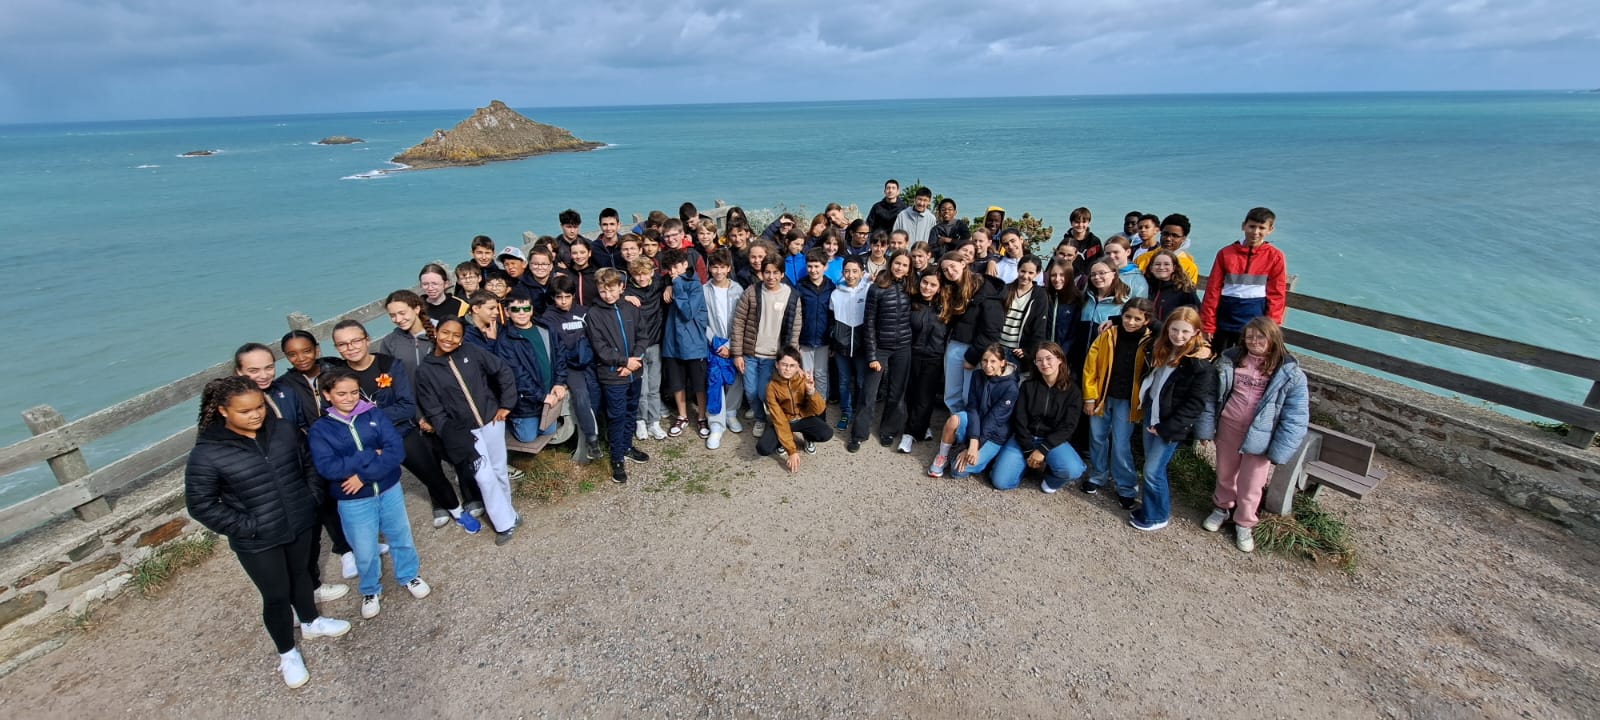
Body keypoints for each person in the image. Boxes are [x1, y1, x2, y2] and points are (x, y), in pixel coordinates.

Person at [185, 376, 352, 688]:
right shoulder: (207, 454)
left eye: (259, 406)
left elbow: (309, 465)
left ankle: (311, 621)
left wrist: (311, 499)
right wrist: (249, 526)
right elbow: (201, 505)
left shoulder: (284, 430)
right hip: (258, 541)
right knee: (276, 595)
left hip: (299, 522)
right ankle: (287, 653)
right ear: (223, 411)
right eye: (245, 411)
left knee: (302, 576)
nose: (255, 415)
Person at [328, 320, 479, 533]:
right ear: (336, 348)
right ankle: (378, 533)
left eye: (355, 341)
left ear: (367, 340)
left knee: (432, 474)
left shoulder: (389, 365)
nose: (350, 347)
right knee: (370, 486)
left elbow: (406, 407)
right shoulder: (337, 376)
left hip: (400, 433)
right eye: (343, 344)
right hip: (365, 442)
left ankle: (457, 510)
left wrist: (368, 416)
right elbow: (335, 413)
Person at [308, 368, 431, 620]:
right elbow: (328, 467)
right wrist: (369, 455)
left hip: (388, 489)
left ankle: (409, 575)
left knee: (401, 536)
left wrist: (363, 476)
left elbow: (395, 451)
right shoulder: (321, 429)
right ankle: (370, 589)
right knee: (364, 549)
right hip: (354, 500)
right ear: (327, 395)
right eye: (341, 393)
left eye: (354, 392)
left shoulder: (373, 413)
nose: (350, 398)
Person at [1196, 317, 1310, 552]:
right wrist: (1206, 429)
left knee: (1252, 482)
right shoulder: (1229, 362)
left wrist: (1280, 450)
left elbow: (1296, 417)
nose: (1254, 341)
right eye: (1249, 337)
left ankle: (1244, 522)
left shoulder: (1290, 374)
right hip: (1228, 427)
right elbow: (1211, 397)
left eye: (1260, 337)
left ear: (1273, 339)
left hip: (1262, 436)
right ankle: (1222, 508)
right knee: (1225, 473)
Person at [413, 318, 523, 545]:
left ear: (462, 339)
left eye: (456, 335)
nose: (449, 339)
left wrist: (506, 404)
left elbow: (502, 370)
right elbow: (434, 410)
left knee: (499, 471)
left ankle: (509, 514)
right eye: (445, 332)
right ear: (436, 332)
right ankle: (504, 524)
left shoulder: (472, 352)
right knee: (484, 477)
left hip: (492, 421)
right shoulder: (425, 370)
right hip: (465, 433)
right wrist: (451, 435)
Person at [378, 290, 486, 516]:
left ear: (417, 308)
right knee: (429, 459)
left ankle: (472, 495)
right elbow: (392, 384)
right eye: (392, 315)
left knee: (460, 452)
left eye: (402, 312)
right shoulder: (390, 343)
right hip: (415, 411)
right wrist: (419, 416)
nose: (398, 319)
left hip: (449, 407)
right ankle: (440, 501)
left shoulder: (440, 331)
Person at [277, 331, 361, 580]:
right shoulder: (285, 385)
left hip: (346, 441)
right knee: (326, 501)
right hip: (315, 450)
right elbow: (293, 420)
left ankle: (362, 540)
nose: (301, 358)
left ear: (317, 349)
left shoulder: (335, 369)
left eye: (306, 351)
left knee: (353, 492)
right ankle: (344, 549)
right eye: (292, 354)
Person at [1128, 306, 1215, 532]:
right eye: (1174, 330)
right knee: (1152, 467)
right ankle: (1151, 508)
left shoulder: (1199, 364)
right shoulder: (1165, 348)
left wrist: (1166, 428)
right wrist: (1113, 319)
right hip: (1152, 413)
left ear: (1196, 333)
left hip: (1170, 424)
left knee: (1152, 471)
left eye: (1185, 331)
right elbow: (1148, 319)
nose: (1179, 336)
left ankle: (1158, 516)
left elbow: (1195, 404)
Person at [1081, 298, 1155, 508]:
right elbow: (1091, 366)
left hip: (1128, 401)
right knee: (1097, 437)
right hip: (1102, 396)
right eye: (1127, 317)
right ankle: (1098, 475)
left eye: (1137, 319)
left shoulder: (1150, 341)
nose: (1131, 322)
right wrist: (1089, 396)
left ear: (1146, 320)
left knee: (1121, 444)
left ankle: (1126, 486)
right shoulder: (1109, 334)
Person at [989, 342, 1086, 492]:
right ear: (1035, 363)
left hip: (1052, 441)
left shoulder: (1073, 392)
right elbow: (1019, 420)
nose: (1044, 363)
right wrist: (1029, 451)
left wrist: (1042, 450)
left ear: (1060, 359)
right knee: (1000, 481)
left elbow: (1068, 426)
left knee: (1073, 469)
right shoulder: (1028, 386)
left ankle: (1050, 478)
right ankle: (1026, 465)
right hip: (1024, 438)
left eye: (1049, 358)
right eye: (1039, 360)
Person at [587, 268, 650, 483]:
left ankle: (626, 446)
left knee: (632, 410)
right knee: (617, 416)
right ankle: (617, 458)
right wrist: (624, 362)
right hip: (613, 375)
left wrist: (634, 361)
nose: (608, 295)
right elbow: (600, 348)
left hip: (634, 371)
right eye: (603, 291)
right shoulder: (594, 314)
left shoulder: (630, 308)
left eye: (612, 290)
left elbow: (643, 336)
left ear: (621, 287)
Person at [730, 257, 804, 439]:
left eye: (775, 272)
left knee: (764, 393)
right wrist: (737, 354)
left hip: (774, 357)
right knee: (750, 391)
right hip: (751, 353)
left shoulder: (791, 295)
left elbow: (795, 329)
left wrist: (792, 359)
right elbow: (738, 322)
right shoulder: (752, 292)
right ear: (761, 273)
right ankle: (760, 419)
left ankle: (776, 421)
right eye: (767, 272)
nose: (771, 277)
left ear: (782, 274)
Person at [1201, 207, 1287, 354]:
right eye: (1252, 226)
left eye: (1262, 228)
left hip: (1255, 324)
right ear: (1243, 226)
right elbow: (1212, 290)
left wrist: (1271, 327)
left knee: (1248, 361)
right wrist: (1208, 324)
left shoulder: (1275, 256)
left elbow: (1277, 295)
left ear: (1270, 230)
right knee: (1220, 359)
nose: (1255, 232)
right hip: (1224, 321)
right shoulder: (1225, 253)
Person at [928, 344, 1018, 480]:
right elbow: (972, 408)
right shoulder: (977, 375)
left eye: (993, 361)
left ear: (1002, 363)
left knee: (957, 471)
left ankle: (988, 458)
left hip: (994, 435)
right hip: (977, 424)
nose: (987, 365)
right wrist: (973, 441)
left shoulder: (1011, 387)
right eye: (984, 360)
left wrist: (975, 445)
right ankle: (943, 455)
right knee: (954, 420)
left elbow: (993, 421)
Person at [541, 275, 603, 462]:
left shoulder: (585, 312)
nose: (563, 301)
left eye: (567, 297)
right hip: (568, 366)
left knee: (596, 394)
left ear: (573, 295)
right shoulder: (548, 318)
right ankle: (592, 440)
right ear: (553, 297)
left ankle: (597, 432)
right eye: (559, 297)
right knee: (581, 394)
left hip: (589, 362)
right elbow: (551, 350)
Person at [499, 289, 570, 444]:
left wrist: (559, 382)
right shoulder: (505, 340)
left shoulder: (546, 328)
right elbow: (518, 376)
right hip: (525, 400)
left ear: (531, 309)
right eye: (516, 309)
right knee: (528, 437)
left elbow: (560, 355)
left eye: (526, 308)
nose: (522, 313)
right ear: (507, 312)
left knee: (548, 431)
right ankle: (512, 423)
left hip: (549, 391)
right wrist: (541, 396)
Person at [938, 250, 1005, 415]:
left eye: (952, 266)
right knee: (951, 394)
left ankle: (970, 427)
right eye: (945, 270)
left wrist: (972, 357)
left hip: (974, 348)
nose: (949, 272)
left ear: (963, 263)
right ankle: (957, 424)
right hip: (954, 344)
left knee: (970, 395)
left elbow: (992, 330)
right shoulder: (950, 289)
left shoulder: (984, 288)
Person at [860, 252, 913, 449]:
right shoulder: (877, 288)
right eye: (897, 263)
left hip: (903, 347)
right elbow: (869, 323)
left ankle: (888, 430)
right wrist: (872, 355)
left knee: (896, 392)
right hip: (880, 347)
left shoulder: (910, 287)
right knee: (869, 392)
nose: (900, 268)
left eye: (905, 265)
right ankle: (859, 433)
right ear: (890, 264)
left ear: (909, 269)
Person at [755, 346, 833, 471]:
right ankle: (782, 442)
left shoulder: (804, 380)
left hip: (803, 417)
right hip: (785, 420)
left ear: (798, 367)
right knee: (763, 448)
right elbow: (779, 419)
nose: (787, 369)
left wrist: (811, 391)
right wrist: (791, 450)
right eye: (784, 365)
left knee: (826, 433)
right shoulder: (771, 387)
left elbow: (819, 409)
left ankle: (808, 438)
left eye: (792, 366)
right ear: (777, 365)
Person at [662, 248, 711, 439]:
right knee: (677, 382)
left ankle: (701, 416)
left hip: (693, 341)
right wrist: (671, 285)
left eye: (676, 267)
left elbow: (687, 312)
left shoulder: (694, 284)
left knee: (699, 383)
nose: (672, 271)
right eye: (669, 268)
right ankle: (682, 416)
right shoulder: (670, 282)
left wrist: (676, 286)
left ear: (685, 265)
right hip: (672, 341)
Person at [900, 270, 949, 454]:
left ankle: (909, 433)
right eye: (925, 282)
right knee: (911, 394)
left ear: (939, 288)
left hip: (934, 357)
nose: (927, 287)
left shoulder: (946, 306)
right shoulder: (912, 302)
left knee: (925, 397)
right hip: (912, 353)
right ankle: (921, 425)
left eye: (933, 285)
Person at [702, 249, 745, 448]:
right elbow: (701, 319)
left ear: (729, 268)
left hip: (734, 341)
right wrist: (716, 342)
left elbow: (742, 318)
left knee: (736, 377)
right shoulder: (704, 290)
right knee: (715, 381)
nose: (718, 271)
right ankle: (716, 424)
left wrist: (730, 344)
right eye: (714, 267)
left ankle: (731, 412)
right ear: (709, 268)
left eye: (722, 267)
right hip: (714, 343)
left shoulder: (738, 289)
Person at [624, 256, 670, 441]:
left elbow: (671, 278)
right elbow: (608, 295)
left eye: (645, 274)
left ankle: (654, 421)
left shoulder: (658, 284)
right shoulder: (627, 290)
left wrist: (669, 287)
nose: (641, 278)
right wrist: (624, 297)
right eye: (637, 274)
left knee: (654, 387)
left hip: (655, 343)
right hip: (637, 347)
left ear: (652, 273)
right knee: (641, 389)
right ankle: (640, 420)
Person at [1069, 257, 1132, 376]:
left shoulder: (1124, 303)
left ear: (1114, 274)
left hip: (1104, 362)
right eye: (1093, 274)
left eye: (1102, 273)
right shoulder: (1086, 298)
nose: (1097, 277)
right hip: (1080, 360)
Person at [829, 256, 870, 439]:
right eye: (847, 271)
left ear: (862, 272)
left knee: (861, 381)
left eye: (855, 271)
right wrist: (833, 341)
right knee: (844, 381)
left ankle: (859, 412)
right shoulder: (836, 293)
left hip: (862, 345)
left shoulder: (868, 290)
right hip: (841, 345)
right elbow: (831, 320)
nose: (850, 275)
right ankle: (846, 411)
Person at [997, 255, 1044, 368]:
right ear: (1018, 269)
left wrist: (1028, 351)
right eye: (1023, 271)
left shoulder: (1040, 295)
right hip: (997, 348)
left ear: (1037, 274)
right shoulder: (1006, 289)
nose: (1025, 276)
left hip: (1016, 353)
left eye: (1030, 273)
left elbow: (1039, 328)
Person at [1133, 213, 1200, 285]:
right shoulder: (1143, 259)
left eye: (1175, 236)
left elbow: (1188, 290)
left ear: (1184, 238)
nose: (1168, 239)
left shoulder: (1189, 267)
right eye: (1165, 234)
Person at [1035, 259, 1082, 361]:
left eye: (1062, 275)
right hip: (1042, 353)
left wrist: (1060, 355)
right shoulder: (1045, 295)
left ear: (1069, 276)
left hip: (1063, 356)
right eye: (1053, 275)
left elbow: (1074, 334)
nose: (1057, 279)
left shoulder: (1076, 299)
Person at [1143, 249, 1202, 324]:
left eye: (1166, 264)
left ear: (1173, 268)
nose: (1161, 267)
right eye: (1157, 264)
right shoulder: (1144, 285)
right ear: (1151, 268)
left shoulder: (1185, 289)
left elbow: (1196, 313)